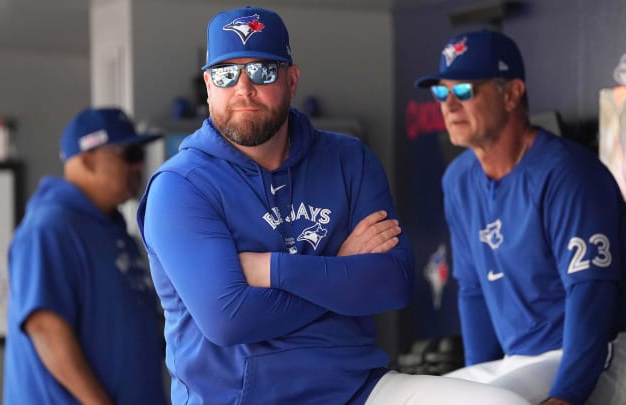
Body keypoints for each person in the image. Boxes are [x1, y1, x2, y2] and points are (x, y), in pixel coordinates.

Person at [136, 6, 530, 405]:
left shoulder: (348, 159)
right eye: (225, 74)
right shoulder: (179, 187)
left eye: (262, 71)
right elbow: (229, 319)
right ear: (208, 85)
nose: (243, 89)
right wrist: (339, 268)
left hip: (357, 388)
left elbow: (392, 284)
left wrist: (273, 269)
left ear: (292, 79)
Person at [415, 29, 626, 405]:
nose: (449, 105)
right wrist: (474, 387)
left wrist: (565, 396)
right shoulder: (459, 179)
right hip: (522, 361)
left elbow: (591, 293)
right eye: (441, 93)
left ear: (511, 93)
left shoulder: (568, 173)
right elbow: (473, 289)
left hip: (598, 355)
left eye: (464, 91)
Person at [3, 107, 167, 405]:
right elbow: (46, 327)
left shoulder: (113, 230)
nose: (138, 166)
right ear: (88, 158)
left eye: (140, 155)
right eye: (129, 154)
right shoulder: (50, 227)